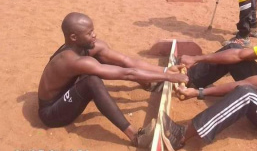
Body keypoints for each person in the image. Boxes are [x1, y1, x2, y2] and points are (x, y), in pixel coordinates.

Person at [162, 13, 257, 150]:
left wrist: (199, 93)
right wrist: (195, 59)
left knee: (247, 93)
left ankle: (182, 135)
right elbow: (240, 54)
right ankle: (190, 78)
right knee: (234, 48)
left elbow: (245, 84)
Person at [37, 12, 188, 148]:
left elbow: (126, 62)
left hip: (68, 88)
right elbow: (127, 74)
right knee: (92, 81)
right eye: (89, 33)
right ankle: (135, 136)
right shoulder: (70, 60)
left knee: (99, 62)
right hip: (52, 112)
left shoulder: (88, 47)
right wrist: (171, 77)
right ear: (74, 37)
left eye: (93, 30)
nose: (94, 35)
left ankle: (148, 83)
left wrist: (164, 71)